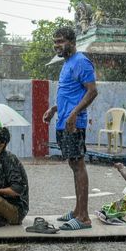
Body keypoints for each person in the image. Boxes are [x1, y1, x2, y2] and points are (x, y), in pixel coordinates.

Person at [43, 25, 98, 230]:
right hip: (64, 121)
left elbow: (92, 92)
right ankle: (76, 211)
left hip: (75, 123)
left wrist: (74, 114)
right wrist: (54, 109)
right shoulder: (66, 63)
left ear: (72, 42)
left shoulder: (81, 61)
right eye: (55, 42)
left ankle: (84, 217)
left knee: (78, 164)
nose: (57, 45)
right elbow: (70, 93)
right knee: (74, 165)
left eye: (61, 41)